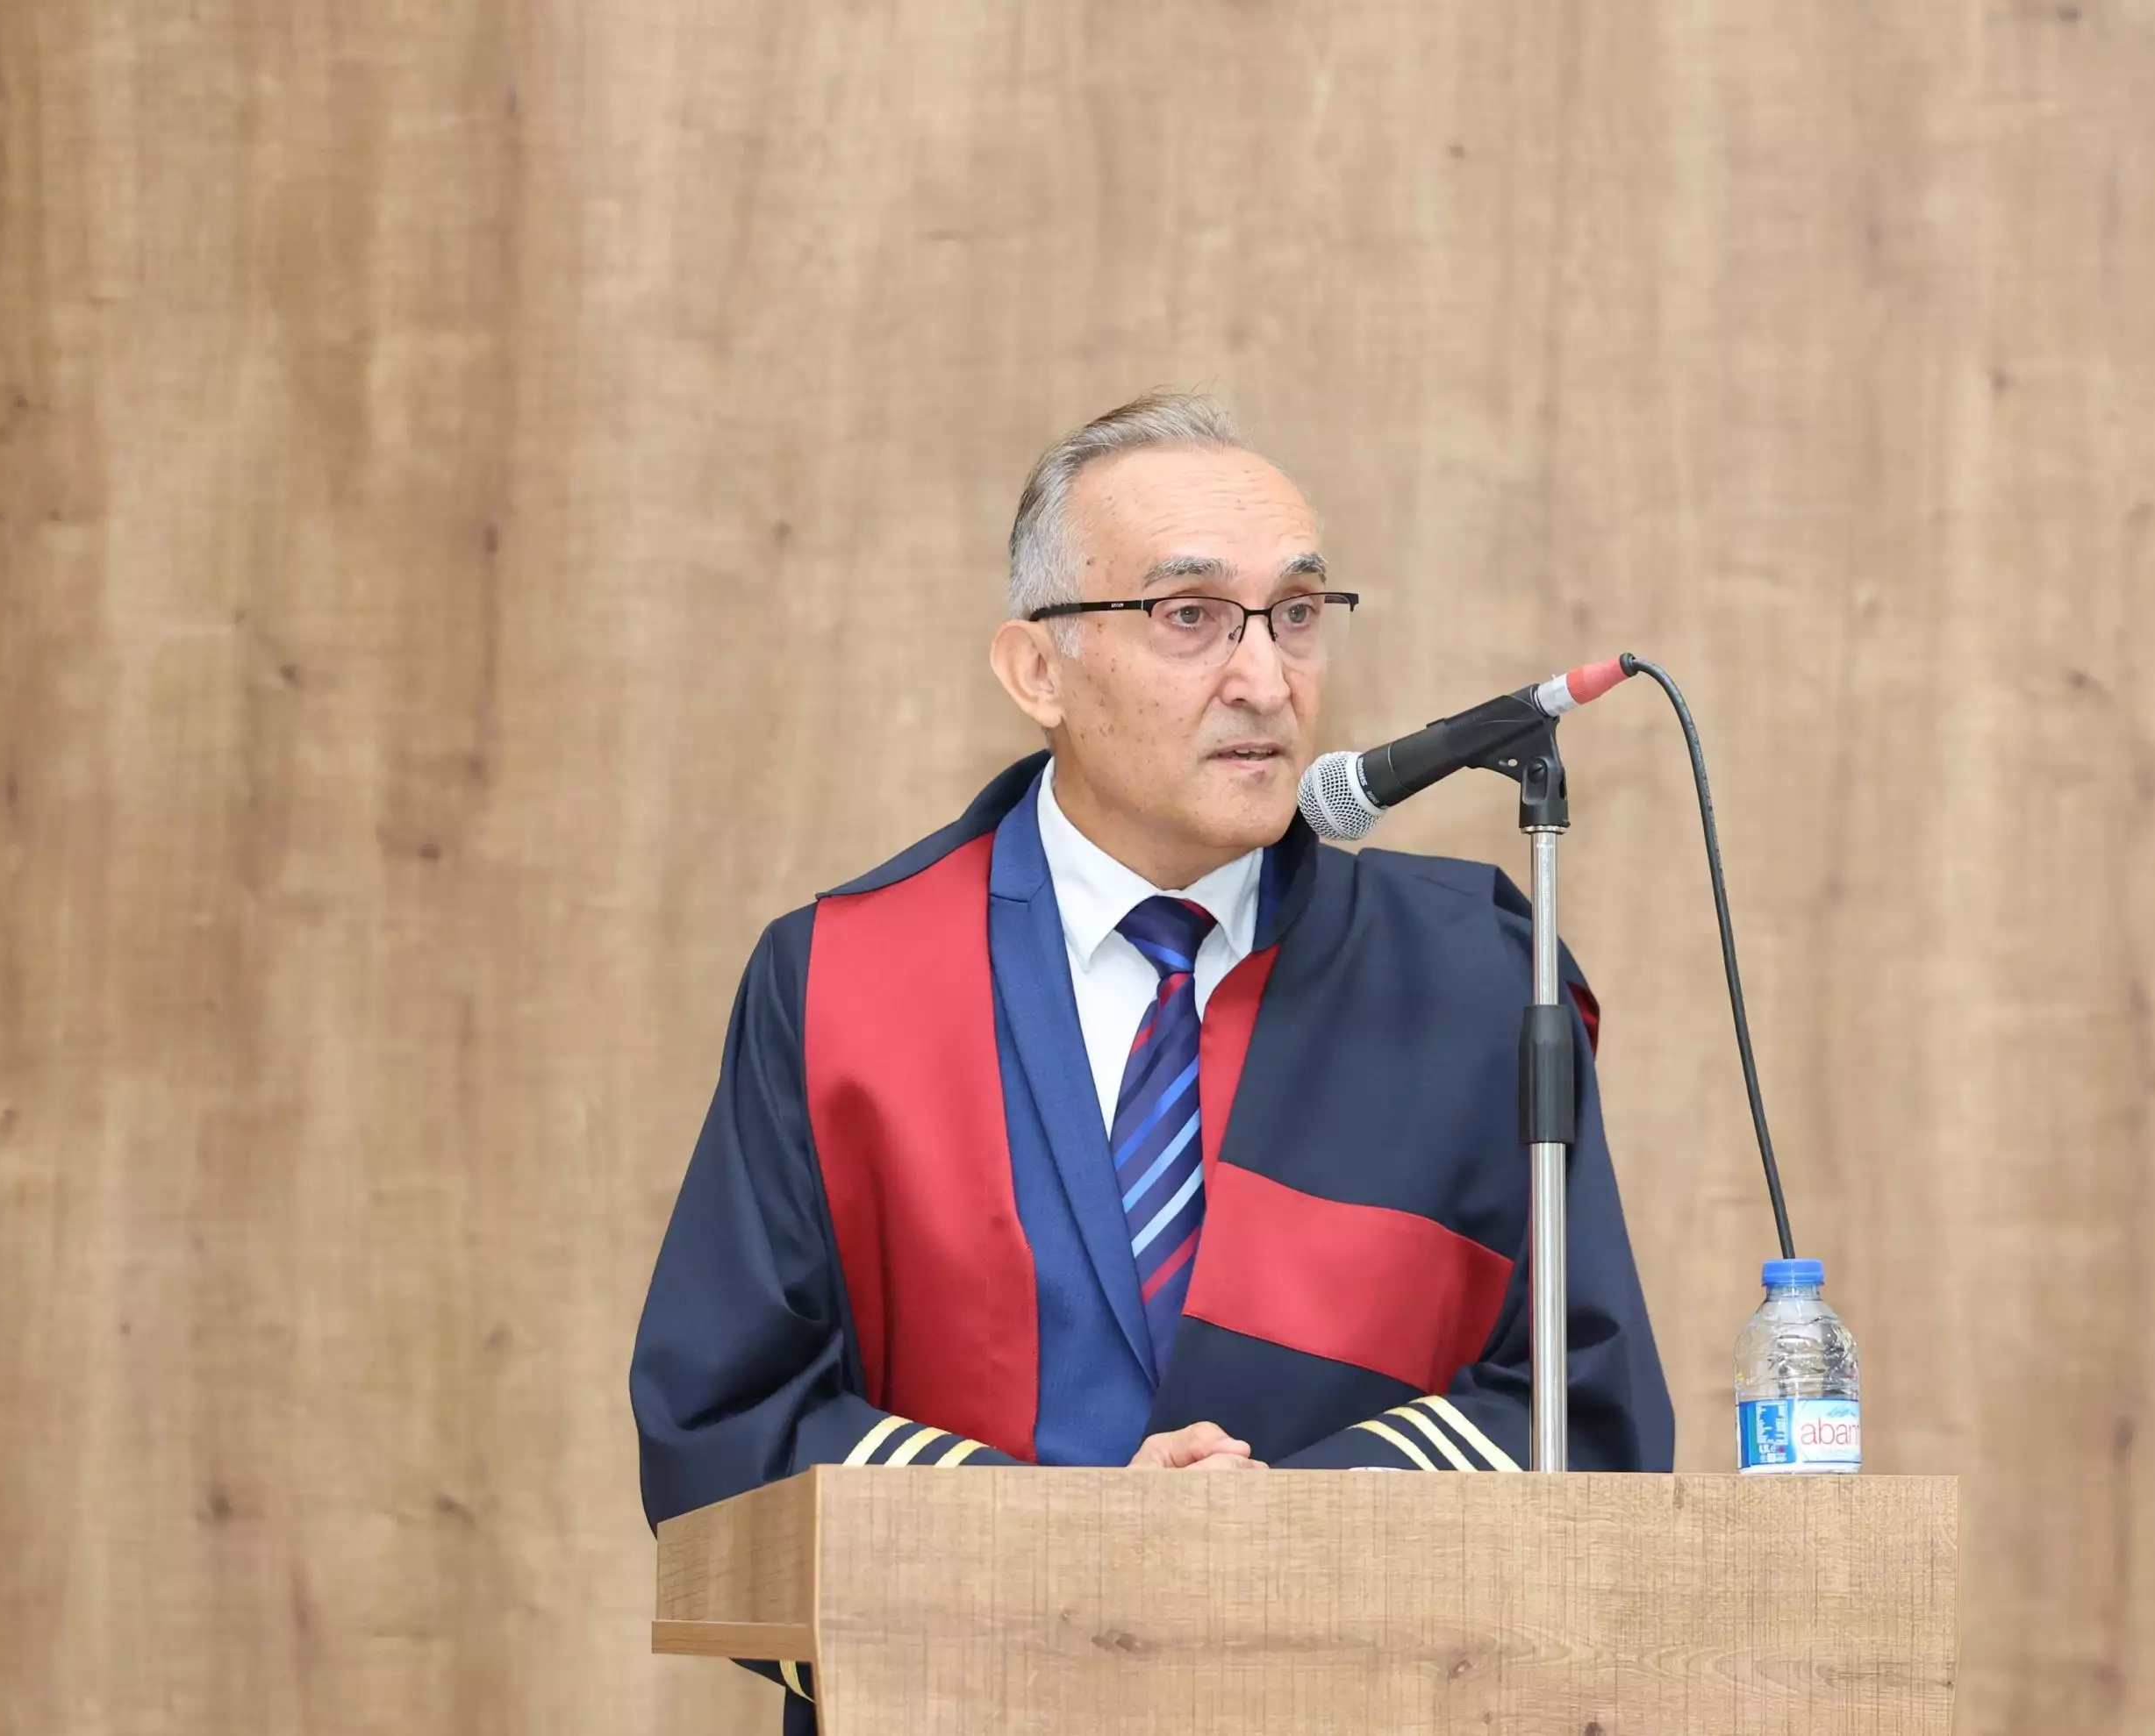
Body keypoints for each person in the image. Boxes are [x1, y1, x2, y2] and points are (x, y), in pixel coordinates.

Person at [630, 392, 1673, 1725]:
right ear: (1038, 671)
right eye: (1191, 616)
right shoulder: (842, 979)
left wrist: (1269, 1537)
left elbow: (1584, 1415)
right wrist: (1080, 1552)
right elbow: (726, 1434)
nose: (1265, 679)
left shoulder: (1475, 977)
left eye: (1297, 614)